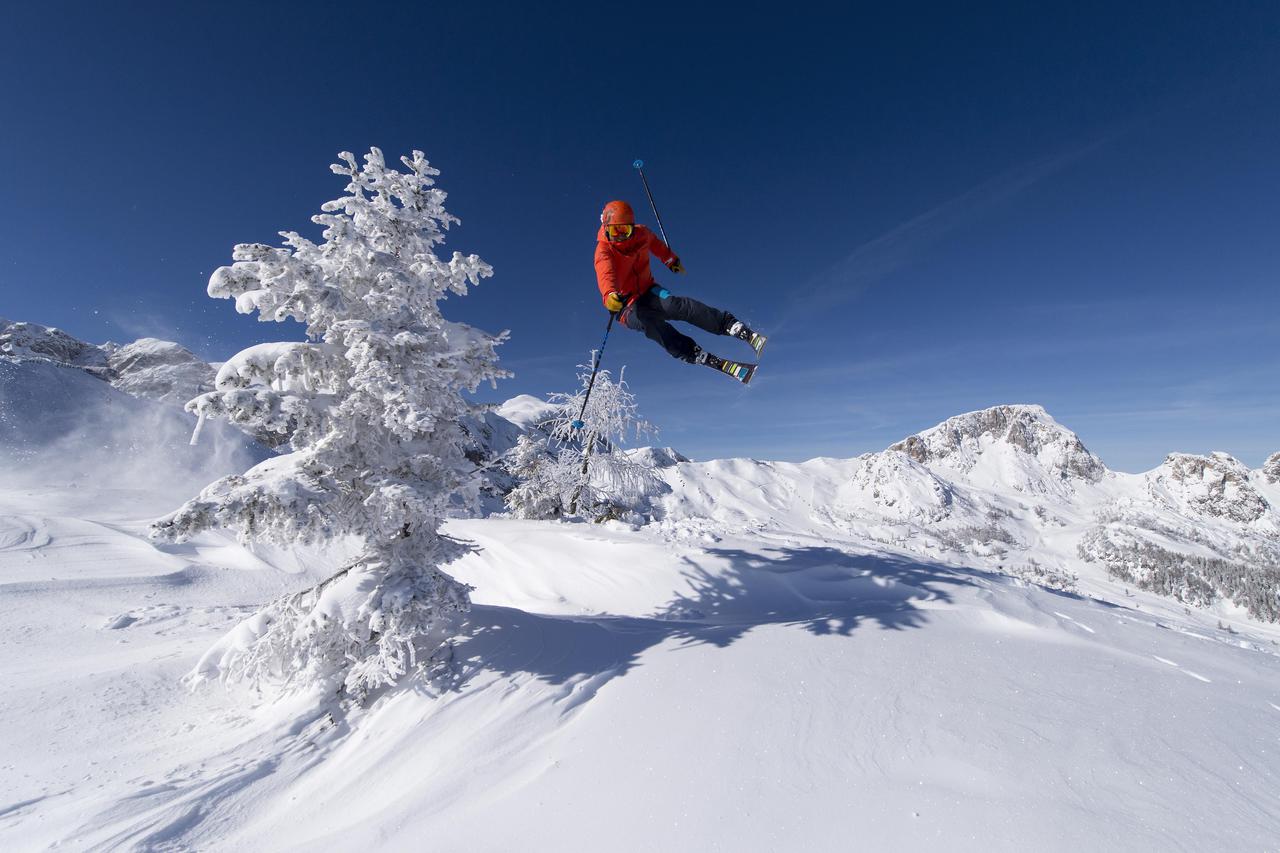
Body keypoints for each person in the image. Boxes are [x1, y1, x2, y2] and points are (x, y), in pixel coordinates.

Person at [594, 200, 765, 372]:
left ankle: (729, 325)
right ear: (605, 227)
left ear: (632, 226)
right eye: (614, 230)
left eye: (624, 230)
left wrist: (671, 260)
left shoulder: (642, 233)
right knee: (650, 324)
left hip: (648, 290)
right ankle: (692, 352)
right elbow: (605, 275)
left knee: (677, 305)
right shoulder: (604, 250)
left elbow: (657, 246)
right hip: (625, 304)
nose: (620, 236)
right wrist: (609, 296)